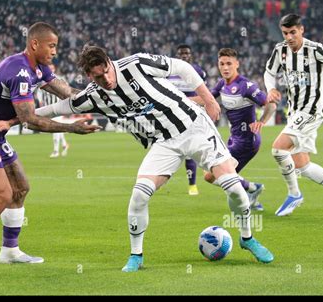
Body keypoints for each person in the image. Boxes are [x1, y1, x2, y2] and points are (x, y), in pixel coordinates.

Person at [34, 44, 274, 272]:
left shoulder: (136, 64)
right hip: (165, 142)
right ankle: (136, 256)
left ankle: (247, 238)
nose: (105, 79)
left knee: (235, 190)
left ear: (109, 62)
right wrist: (22, 116)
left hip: (195, 128)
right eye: (98, 77)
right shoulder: (96, 95)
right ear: (89, 76)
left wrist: (209, 99)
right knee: (139, 194)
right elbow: (60, 107)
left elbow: (181, 67)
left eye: (106, 71)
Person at [0, 22, 100, 274]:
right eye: (51, 46)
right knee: (1, 196)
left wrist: (100, 96)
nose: (54, 51)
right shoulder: (19, 71)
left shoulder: (39, 69)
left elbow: (70, 93)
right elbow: (30, 120)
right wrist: (72, 128)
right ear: (34, 44)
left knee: (20, 189)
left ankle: (9, 251)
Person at [264, 14, 323, 217]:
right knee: (301, 164)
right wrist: (270, 89)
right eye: (285, 33)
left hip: (311, 110)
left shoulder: (314, 50)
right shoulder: (280, 50)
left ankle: (294, 194)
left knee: (278, 150)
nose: (289, 37)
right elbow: (269, 72)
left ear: (301, 30)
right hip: (294, 112)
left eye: (292, 32)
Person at [197, 48, 277, 211]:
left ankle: (252, 190)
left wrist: (261, 121)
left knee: (212, 175)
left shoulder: (246, 86)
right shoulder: (221, 84)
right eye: (222, 64)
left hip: (248, 141)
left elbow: (271, 104)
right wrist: (180, 98)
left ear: (237, 64)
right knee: (221, 176)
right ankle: (252, 193)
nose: (225, 67)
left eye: (229, 64)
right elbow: (205, 99)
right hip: (234, 138)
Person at [167, 44, 207, 196]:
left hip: (191, 114)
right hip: (171, 115)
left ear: (191, 55)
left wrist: (184, 101)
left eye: (186, 53)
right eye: (181, 53)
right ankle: (161, 179)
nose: (184, 56)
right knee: (167, 148)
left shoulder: (197, 71)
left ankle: (192, 185)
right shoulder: (168, 71)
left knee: (190, 151)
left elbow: (203, 95)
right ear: (177, 56)